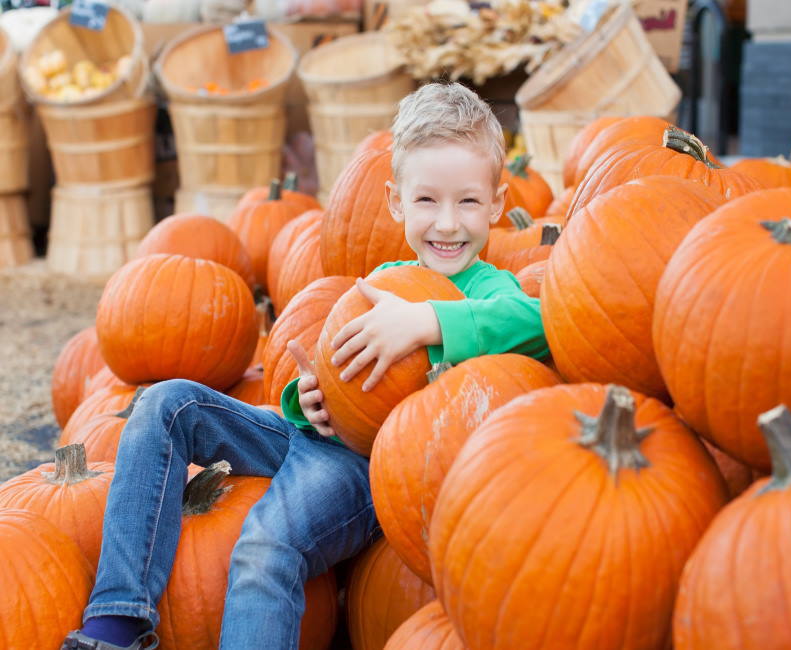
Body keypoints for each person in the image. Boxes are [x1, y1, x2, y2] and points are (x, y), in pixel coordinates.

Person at [60, 81, 549, 650]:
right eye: (426, 200)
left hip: (372, 466)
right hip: (313, 438)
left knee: (265, 545)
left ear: (496, 202)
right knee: (166, 405)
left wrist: (429, 322)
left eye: (467, 201)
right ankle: (117, 618)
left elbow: (538, 319)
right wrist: (309, 396)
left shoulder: (492, 289)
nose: (446, 223)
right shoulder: (378, 281)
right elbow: (339, 380)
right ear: (395, 201)